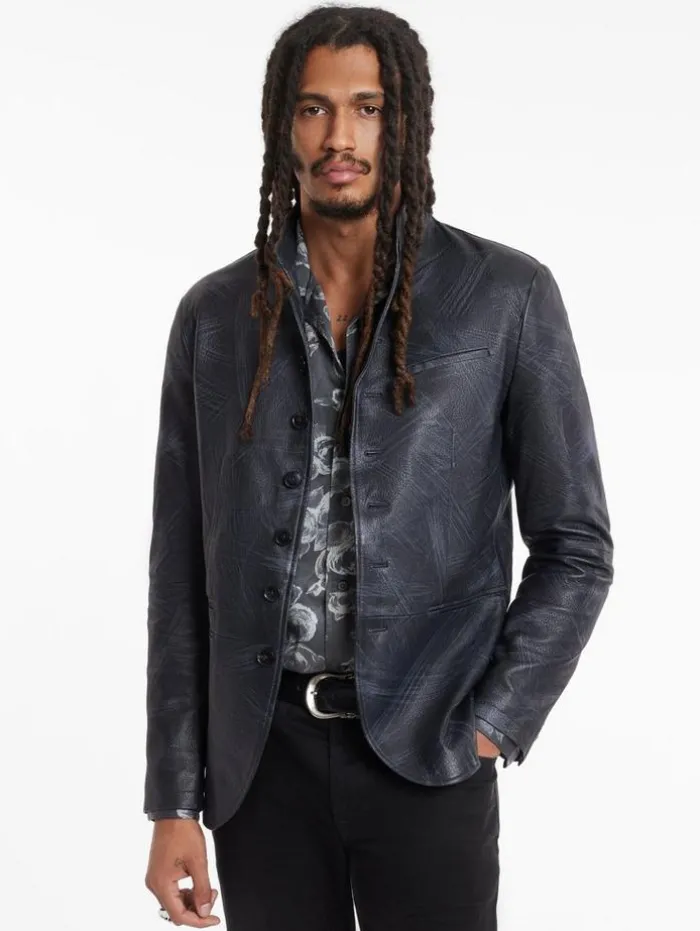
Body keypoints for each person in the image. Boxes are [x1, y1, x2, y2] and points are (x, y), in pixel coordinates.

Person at [143, 5, 614, 929]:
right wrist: (173, 798)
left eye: (368, 108)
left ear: (405, 123)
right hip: (260, 764)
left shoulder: (505, 298)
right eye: (314, 108)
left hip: (431, 751)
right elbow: (180, 577)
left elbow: (576, 546)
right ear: (282, 125)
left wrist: (491, 722)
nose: (341, 137)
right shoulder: (215, 317)